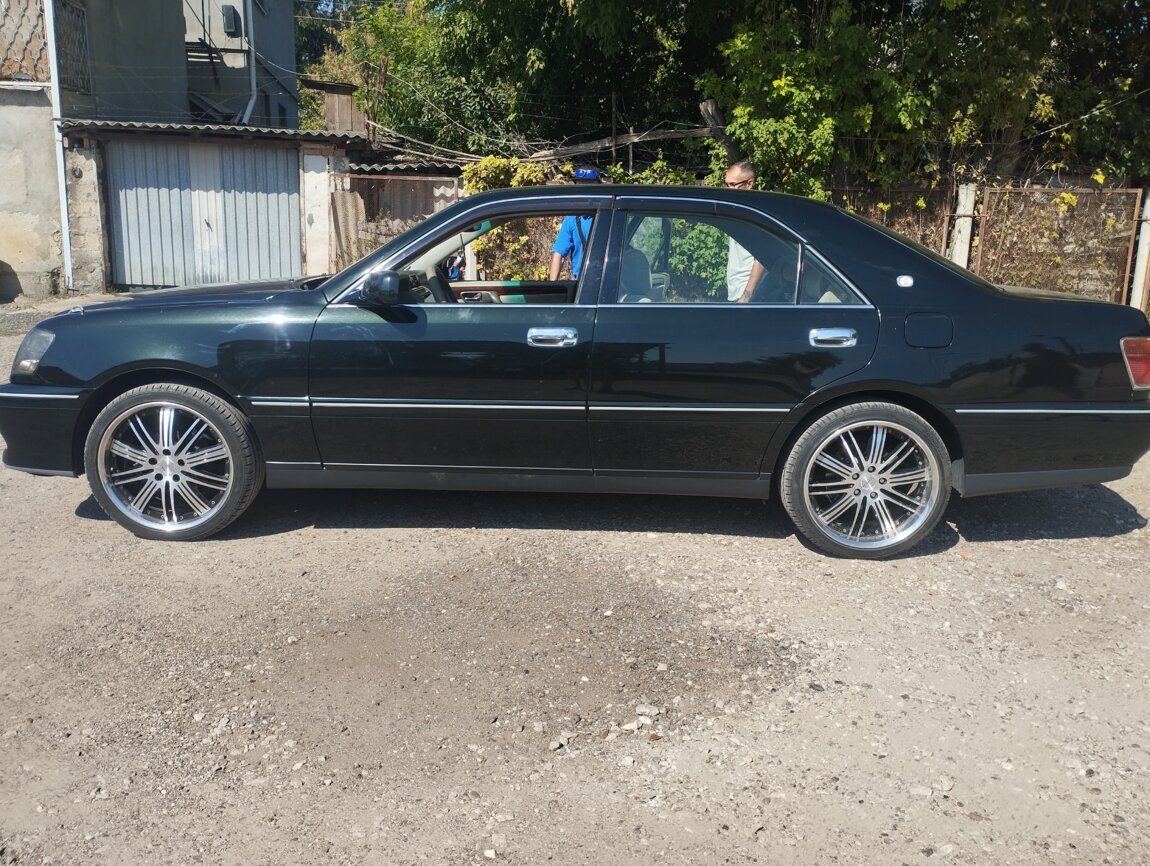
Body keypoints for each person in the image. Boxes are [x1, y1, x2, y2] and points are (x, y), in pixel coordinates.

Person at [548, 165, 603, 282]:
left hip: (605, 283)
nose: (585, 192)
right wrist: (551, 287)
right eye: (581, 187)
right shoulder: (571, 220)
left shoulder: (608, 216)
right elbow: (558, 255)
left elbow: (559, 256)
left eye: (589, 187)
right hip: (583, 285)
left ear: (599, 188)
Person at [724, 161, 766, 303]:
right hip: (735, 293)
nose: (728, 189)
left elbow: (761, 257)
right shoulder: (739, 211)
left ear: (749, 184)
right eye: (726, 184)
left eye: (732, 184)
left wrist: (746, 296)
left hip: (747, 297)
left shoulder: (755, 214)